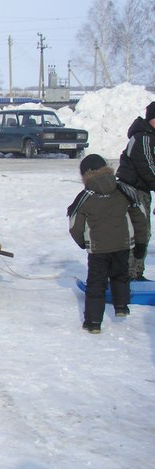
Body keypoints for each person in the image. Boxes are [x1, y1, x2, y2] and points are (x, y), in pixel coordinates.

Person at [68, 154, 148, 334]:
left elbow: (74, 226)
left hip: (98, 249)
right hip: (122, 245)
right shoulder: (124, 190)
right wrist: (140, 244)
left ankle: (93, 322)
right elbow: (140, 217)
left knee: (96, 284)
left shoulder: (85, 196)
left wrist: (83, 243)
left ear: (84, 175)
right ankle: (121, 307)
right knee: (121, 275)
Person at [115, 100, 155, 281]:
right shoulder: (143, 138)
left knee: (144, 232)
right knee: (137, 231)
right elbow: (147, 167)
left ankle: (137, 271)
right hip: (133, 192)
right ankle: (130, 273)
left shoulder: (149, 136)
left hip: (143, 191)